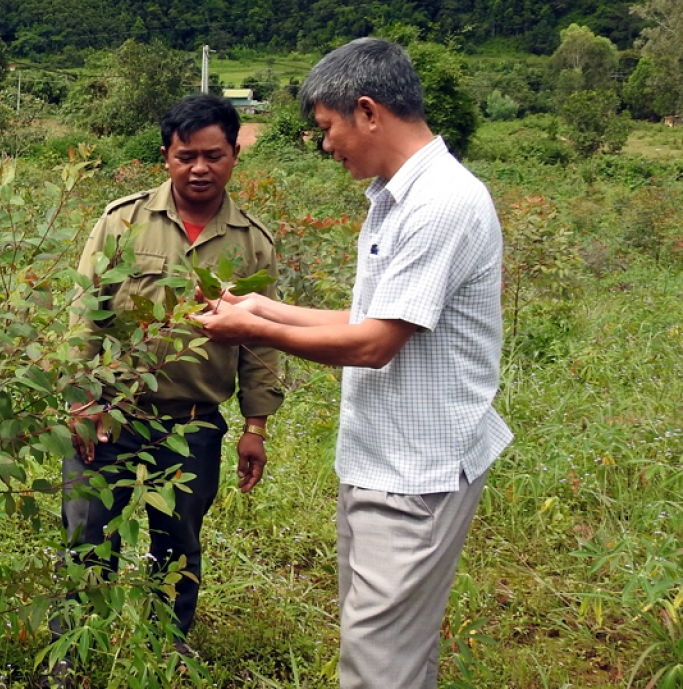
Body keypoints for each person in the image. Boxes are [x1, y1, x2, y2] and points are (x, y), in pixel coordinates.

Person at [194, 38, 510, 689]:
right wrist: (262, 307)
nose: (326, 145)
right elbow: (371, 321)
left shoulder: (439, 203)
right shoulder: (399, 198)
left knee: (376, 668)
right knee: (394, 654)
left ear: (368, 112)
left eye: (326, 128)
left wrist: (251, 328)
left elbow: (373, 346)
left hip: (413, 475)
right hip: (386, 463)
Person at [62, 94, 282, 653]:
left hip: (193, 424)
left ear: (235, 154)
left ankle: (167, 651)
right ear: (166, 156)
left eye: (214, 155)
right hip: (110, 415)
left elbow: (260, 340)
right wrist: (81, 403)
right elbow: (85, 312)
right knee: (89, 536)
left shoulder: (252, 243)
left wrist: (255, 427)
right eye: (187, 156)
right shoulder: (123, 220)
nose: (200, 168)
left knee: (179, 542)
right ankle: (76, 655)